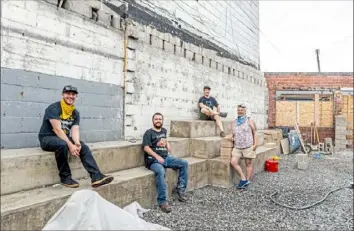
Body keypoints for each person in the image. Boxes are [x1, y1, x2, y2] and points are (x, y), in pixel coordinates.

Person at [38, 85, 114, 188]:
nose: (70, 96)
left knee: (83, 146)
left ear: (76, 96)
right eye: (68, 94)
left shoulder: (75, 112)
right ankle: (65, 178)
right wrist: (70, 144)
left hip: (62, 137)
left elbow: (75, 129)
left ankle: (97, 177)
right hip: (47, 138)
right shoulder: (54, 108)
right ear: (63, 95)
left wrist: (76, 143)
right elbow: (57, 130)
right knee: (63, 144)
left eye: (73, 94)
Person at [142, 112, 189, 213]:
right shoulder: (148, 133)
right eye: (156, 119)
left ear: (162, 121)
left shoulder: (163, 130)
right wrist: (157, 156)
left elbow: (164, 139)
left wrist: (168, 144)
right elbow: (146, 147)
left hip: (166, 157)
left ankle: (180, 189)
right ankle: (162, 201)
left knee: (184, 163)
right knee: (161, 171)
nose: (158, 121)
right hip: (153, 160)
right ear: (153, 121)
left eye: (160, 119)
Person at [228, 104, 258, 189]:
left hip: (248, 146)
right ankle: (243, 178)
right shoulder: (234, 122)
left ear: (245, 111)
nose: (240, 111)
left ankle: (247, 180)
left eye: (241, 110)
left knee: (248, 164)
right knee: (233, 162)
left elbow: (255, 132)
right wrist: (231, 136)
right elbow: (232, 132)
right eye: (239, 110)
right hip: (237, 147)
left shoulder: (249, 121)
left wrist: (255, 145)